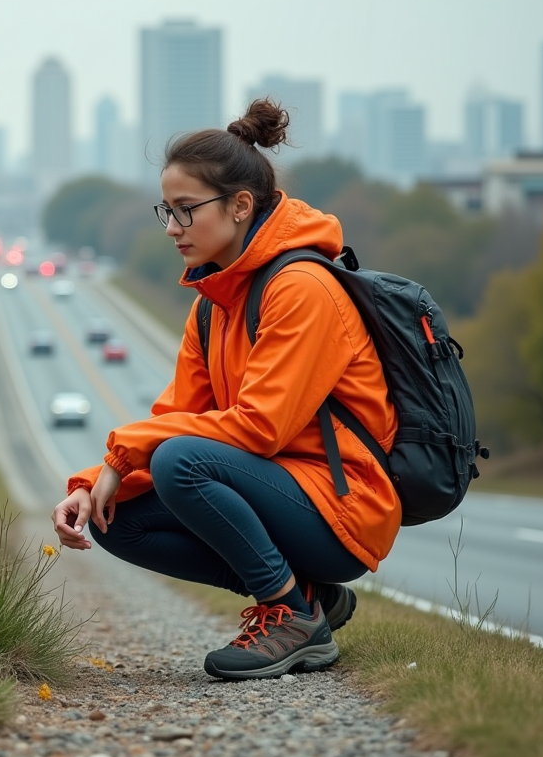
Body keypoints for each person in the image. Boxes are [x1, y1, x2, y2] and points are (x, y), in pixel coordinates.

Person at [50, 98, 400, 681]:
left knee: (180, 460)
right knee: (119, 516)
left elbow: (259, 428)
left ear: (240, 206)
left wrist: (124, 450)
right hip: (283, 493)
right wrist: (93, 483)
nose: (170, 227)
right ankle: (309, 596)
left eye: (186, 210)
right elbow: (176, 414)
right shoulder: (214, 306)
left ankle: (290, 616)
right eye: (166, 209)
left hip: (343, 508)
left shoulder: (301, 288)